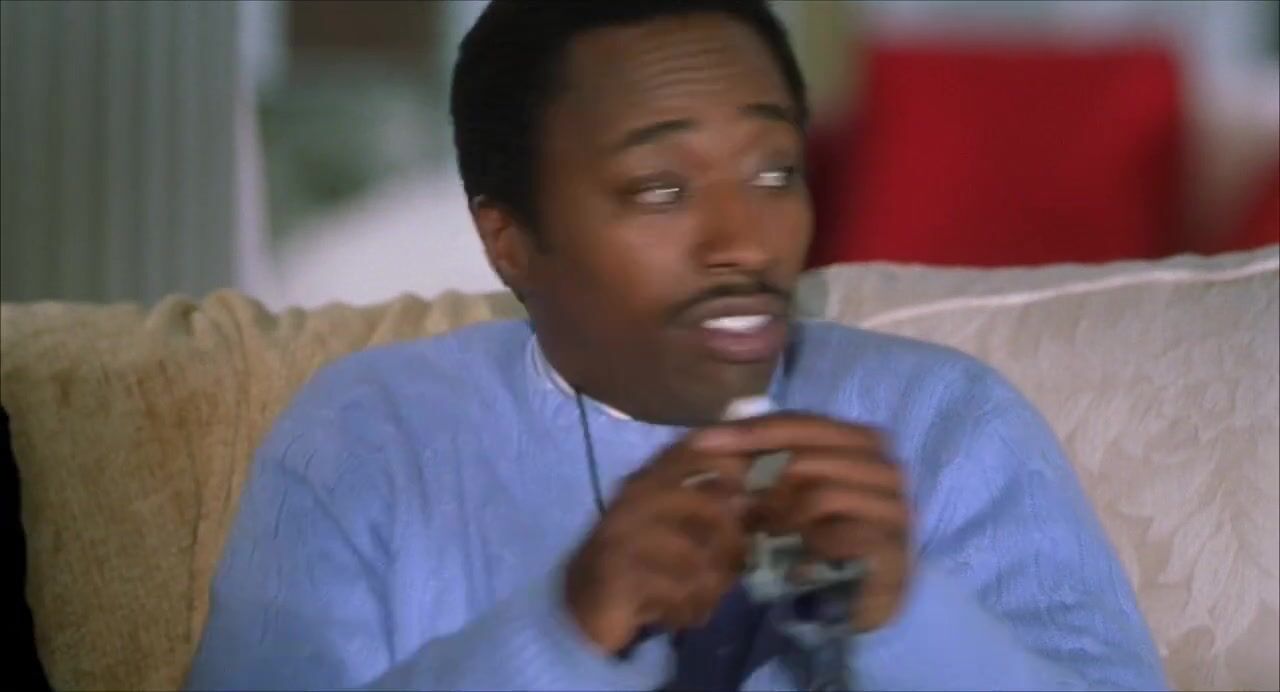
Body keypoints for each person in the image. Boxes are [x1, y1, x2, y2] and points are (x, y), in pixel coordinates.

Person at [186, 2, 1167, 689]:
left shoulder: (949, 423)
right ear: (508, 238)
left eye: (773, 172)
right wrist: (563, 633)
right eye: (659, 189)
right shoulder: (363, 439)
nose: (744, 241)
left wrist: (909, 617)